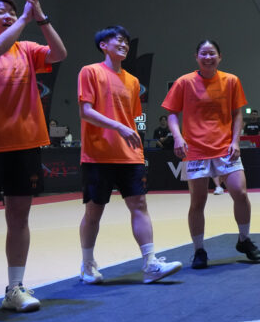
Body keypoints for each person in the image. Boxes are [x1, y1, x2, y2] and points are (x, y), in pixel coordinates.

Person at [0, 0, 68, 320]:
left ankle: (15, 288)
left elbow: (59, 54)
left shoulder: (28, 49)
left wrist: (41, 18)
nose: (8, 14)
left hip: (25, 145)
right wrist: (23, 18)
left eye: (11, 9)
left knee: (19, 219)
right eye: (0, 11)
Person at [77, 26, 182, 286]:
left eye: (126, 41)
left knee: (140, 205)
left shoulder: (133, 81)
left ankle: (150, 264)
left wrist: (128, 132)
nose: (124, 44)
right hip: (98, 154)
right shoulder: (90, 72)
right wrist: (119, 127)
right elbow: (85, 111)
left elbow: (131, 118)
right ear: (103, 45)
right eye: (118, 40)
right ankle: (87, 265)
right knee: (94, 211)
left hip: (129, 154)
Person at [162, 39, 260, 270]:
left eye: (212, 53)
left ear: (220, 56)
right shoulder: (184, 82)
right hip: (195, 150)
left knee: (240, 193)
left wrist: (235, 141)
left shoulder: (232, 80)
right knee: (198, 202)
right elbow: (171, 113)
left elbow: (237, 114)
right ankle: (199, 250)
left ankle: (244, 239)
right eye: (204, 53)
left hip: (225, 148)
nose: (208, 57)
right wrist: (177, 137)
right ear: (196, 57)